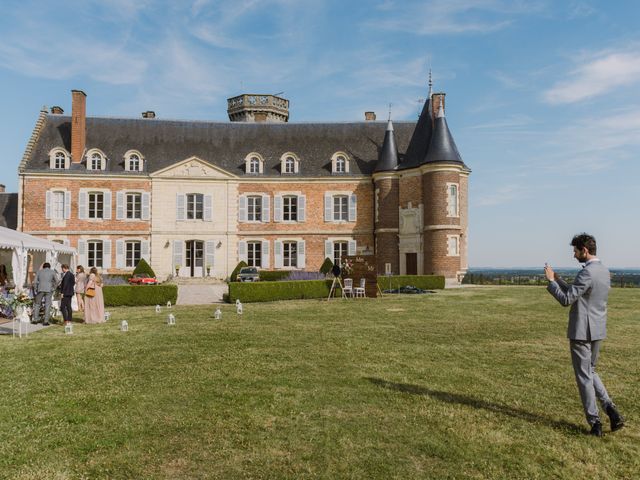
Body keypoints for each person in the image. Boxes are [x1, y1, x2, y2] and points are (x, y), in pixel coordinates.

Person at [544, 233, 625, 437]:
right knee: (591, 371)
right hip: (598, 329)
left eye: (575, 251)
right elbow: (579, 293)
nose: (574, 255)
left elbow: (566, 300)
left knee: (584, 377)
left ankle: (595, 422)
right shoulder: (604, 271)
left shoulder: (587, 272)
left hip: (581, 331)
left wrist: (551, 283)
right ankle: (611, 410)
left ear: (584, 251)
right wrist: (559, 279)